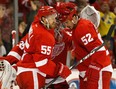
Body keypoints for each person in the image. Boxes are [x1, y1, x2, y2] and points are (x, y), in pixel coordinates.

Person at [1, 6, 71, 89]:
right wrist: (60, 70)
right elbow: (42, 63)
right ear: (44, 19)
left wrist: (7, 60)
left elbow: (22, 46)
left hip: (22, 73)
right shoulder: (45, 36)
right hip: (33, 74)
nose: (54, 21)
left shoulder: (35, 26)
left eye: (55, 18)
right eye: (52, 18)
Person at [61, 4, 113, 89]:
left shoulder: (83, 27)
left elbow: (98, 51)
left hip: (98, 69)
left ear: (74, 18)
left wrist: (93, 71)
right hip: (87, 70)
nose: (66, 25)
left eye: (67, 22)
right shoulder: (76, 29)